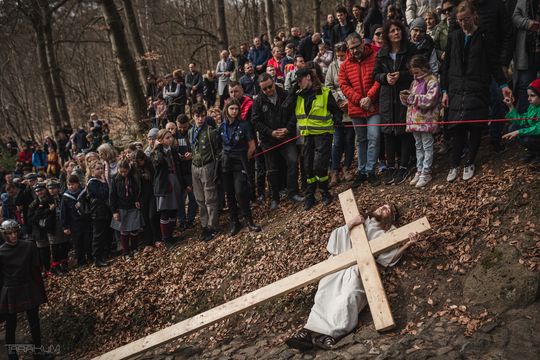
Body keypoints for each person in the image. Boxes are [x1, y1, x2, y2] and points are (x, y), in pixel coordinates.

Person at [285, 204, 420, 350]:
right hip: (338, 265)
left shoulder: (386, 233)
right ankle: (306, 332)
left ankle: (329, 335)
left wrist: (407, 244)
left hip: (360, 268)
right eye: (382, 205)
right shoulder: (360, 221)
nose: (383, 208)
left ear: (391, 218)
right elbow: (335, 240)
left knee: (349, 297)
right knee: (325, 296)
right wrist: (351, 223)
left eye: (389, 209)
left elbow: (388, 258)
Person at [441, 0, 512, 182]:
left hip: (477, 86)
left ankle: (470, 161)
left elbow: (494, 63)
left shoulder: (483, 35)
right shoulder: (454, 36)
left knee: (474, 125)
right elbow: (446, 64)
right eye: (459, 20)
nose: (463, 23)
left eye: (466, 19)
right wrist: (444, 90)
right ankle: (454, 164)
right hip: (457, 87)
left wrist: (503, 85)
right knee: (457, 127)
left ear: (473, 16)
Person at [286, 68, 343, 211]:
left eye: (300, 81)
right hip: (307, 135)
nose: (298, 84)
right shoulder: (298, 95)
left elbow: (336, 110)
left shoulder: (324, 93)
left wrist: (337, 120)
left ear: (308, 77)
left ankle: (324, 192)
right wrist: (293, 92)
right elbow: (285, 107)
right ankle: (310, 195)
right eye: (296, 82)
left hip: (323, 134)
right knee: (308, 166)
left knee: (319, 165)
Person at [374, 20, 417, 186]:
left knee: (404, 129)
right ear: (387, 34)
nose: (396, 33)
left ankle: (404, 165)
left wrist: (402, 75)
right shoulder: (382, 53)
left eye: (398, 30)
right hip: (386, 95)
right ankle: (391, 166)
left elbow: (417, 70)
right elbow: (376, 74)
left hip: (404, 94)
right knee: (388, 131)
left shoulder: (410, 49)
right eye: (392, 31)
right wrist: (385, 78)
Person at [252, 73, 304, 210]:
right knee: (272, 169)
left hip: (286, 136)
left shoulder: (285, 94)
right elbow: (256, 121)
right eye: (265, 89)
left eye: (270, 87)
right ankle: (275, 197)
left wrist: (287, 129)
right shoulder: (258, 101)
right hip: (269, 140)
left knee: (293, 161)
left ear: (274, 82)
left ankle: (293, 192)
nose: (268, 90)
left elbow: (295, 114)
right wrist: (271, 132)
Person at [0, 220, 48, 360]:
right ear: (4, 234)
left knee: (34, 321)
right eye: (9, 233)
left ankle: (38, 352)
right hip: (10, 290)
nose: (13, 236)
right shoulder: (0, 253)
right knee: (11, 325)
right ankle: (12, 355)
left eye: (15, 232)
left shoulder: (29, 246)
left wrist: (39, 290)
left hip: (28, 286)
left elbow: (35, 269)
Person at [339, 33, 382, 188]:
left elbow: (379, 79)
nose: (355, 50)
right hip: (356, 108)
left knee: (374, 137)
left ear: (363, 42)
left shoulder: (375, 57)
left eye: (357, 46)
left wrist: (369, 98)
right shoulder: (344, 65)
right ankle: (362, 171)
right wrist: (360, 100)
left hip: (373, 106)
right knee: (361, 140)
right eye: (352, 48)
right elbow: (344, 86)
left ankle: (371, 170)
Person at [219, 99, 261, 235]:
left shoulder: (244, 125)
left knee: (240, 192)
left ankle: (249, 221)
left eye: (236, 109)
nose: (234, 111)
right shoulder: (222, 126)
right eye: (231, 109)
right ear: (227, 109)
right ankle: (234, 222)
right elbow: (220, 145)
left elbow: (252, 146)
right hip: (226, 163)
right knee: (229, 194)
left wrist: (245, 159)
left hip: (240, 162)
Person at [400, 55, 441, 188]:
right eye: (413, 73)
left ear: (424, 67)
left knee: (427, 146)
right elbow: (411, 101)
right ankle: (419, 170)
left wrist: (412, 98)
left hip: (426, 121)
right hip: (414, 121)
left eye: (417, 72)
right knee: (418, 146)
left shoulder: (432, 80)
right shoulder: (414, 82)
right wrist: (405, 97)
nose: (415, 75)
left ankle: (426, 172)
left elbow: (430, 100)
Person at [189, 104, 222, 241]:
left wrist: (216, 168)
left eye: (203, 116)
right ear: (193, 117)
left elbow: (218, 151)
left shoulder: (210, 131)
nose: (200, 119)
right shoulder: (191, 132)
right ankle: (204, 225)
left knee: (210, 197)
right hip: (194, 166)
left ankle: (212, 226)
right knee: (199, 198)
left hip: (207, 166)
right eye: (197, 116)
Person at [326, 42, 355, 187]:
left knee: (350, 140)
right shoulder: (332, 66)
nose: (340, 58)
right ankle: (334, 170)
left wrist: (349, 101)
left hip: (351, 106)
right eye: (338, 56)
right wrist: (338, 100)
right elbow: (328, 86)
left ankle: (347, 167)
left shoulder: (352, 64)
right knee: (337, 141)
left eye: (342, 56)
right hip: (337, 109)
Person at [152, 129, 186, 247]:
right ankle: (165, 238)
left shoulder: (173, 151)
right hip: (164, 183)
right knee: (165, 211)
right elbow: (158, 162)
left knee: (173, 209)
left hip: (174, 180)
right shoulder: (157, 152)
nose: (170, 139)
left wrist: (183, 184)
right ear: (160, 140)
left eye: (171, 137)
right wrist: (159, 148)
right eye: (167, 138)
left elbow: (179, 167)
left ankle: (170, 236)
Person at [110, 159, 143, 260]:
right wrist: (114, 211)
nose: (123, 173)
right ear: (118, 169)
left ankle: (134, 248)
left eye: (125, 171)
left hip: (132, 206)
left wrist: (138, 200)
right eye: (121, 171)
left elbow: (138, 189)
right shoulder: (115, 179)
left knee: (134, 228)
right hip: (121, 207)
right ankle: (126, 252)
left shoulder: (133, 177)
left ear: (128, 169)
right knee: (124, 230)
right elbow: (112, 196)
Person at [502, 79, 540, 164]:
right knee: (512, 128)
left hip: (537, 132)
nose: (528, 99)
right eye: (528, 95)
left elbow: (538, 128)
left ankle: (538, 153)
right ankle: (533, 151)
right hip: (535, 134)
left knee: (526, 138)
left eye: (532, 95)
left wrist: (519, 132)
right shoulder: (533, 106)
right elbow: (523, 120)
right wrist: (511, 106)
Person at [512, 0, 540, 114]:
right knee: (525, 87)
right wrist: (527, 23)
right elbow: (515, 17)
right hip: (528, 53)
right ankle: (524, 122)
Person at [61, 174, 93, 266]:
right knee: (78, 243)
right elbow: (64, 212)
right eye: (69, 185)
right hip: (74, 224)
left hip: (86, 221)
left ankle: (91, 257)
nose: (71, 186)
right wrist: (65, 226)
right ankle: (81, 261)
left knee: (88, 240)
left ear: (78, 184)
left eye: (73, 184)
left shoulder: (83, 192)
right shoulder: (66, 197)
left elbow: (89, 204)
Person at [133, 150, 161, 252]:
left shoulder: (150, 163)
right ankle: (148, 242)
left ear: (144, 159)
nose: (137, 164)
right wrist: (135, 199)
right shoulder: (135, 167)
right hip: (142, 195)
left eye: (139, 162)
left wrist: (147, 176)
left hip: (152, 193)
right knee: (145, 219)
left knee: (152, 216)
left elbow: (155, 177)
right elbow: (134, 185)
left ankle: (157, 238)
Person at [86, 161, 112, 267]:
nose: (100, 170)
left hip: (106, 211)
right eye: (97, 169)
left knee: (106, 234)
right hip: (98, 212)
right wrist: (104, 183)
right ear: (92, 171)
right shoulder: (92, 182)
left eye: (101, 168)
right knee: (98, 235)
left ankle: (105, 254)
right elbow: (102, 194)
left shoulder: (102, 180)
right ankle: (97, 258)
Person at [175, 115, 197, 229]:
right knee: (180, 198)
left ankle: (190, 219)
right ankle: (182, 220)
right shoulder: (174, 133)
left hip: (191, 169)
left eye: (184, 127)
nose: (182, 129)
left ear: (188, 123)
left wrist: (192, 154)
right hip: (178, 170)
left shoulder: (194, 131)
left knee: (193, 196)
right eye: (180, 127)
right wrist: (176, 154)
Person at [45, 179, 69, 275]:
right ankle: (56, 266)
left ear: (58, 189)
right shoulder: (45, 199)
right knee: (55, 247)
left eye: (54, 188)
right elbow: (39, 215)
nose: (51, 190)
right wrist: (49, 210)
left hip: (62, 223)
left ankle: (64, 263)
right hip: (52, 226)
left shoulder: (63, 197)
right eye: (50, 188)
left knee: (64, 244)